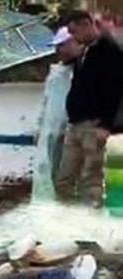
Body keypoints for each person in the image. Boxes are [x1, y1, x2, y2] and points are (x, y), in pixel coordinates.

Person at [56, 10, 123, 208]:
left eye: (74, 32)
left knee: (90, 179)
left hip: (93, 124)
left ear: (86, 24)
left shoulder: (110, 51)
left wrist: (105, 125)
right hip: (75, 123)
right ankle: (66, 219)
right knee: (64, 178)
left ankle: (91, 222)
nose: (73, 37)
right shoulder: (84, 51)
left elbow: (115, 92)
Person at [36, 27, 84, 189]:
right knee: (55, 175)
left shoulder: (85, 70)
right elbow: (46, 102)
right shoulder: (56, 73)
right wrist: (39, 126)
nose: (59, 50)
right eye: (57, 46)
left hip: (75, 131)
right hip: (52, 132)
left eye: (62, 45)